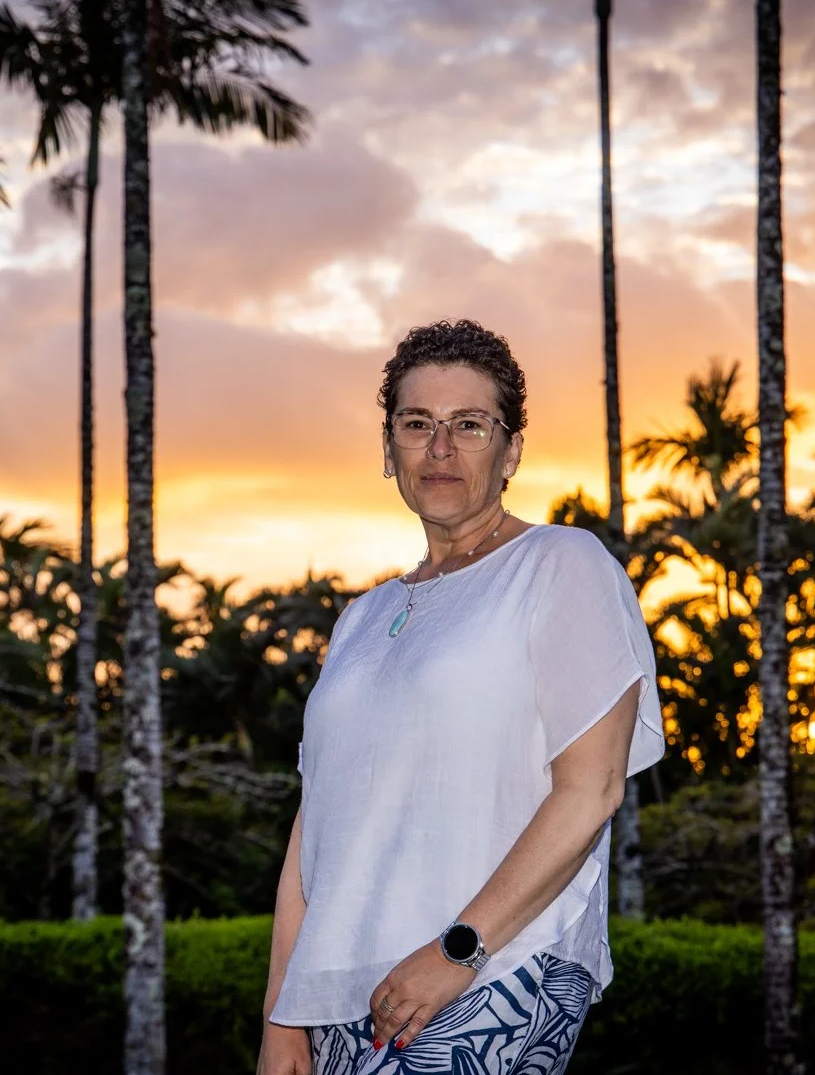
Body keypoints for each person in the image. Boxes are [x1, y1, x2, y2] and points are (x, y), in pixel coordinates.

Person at [255, 319, 666, 1075]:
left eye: (469, 425)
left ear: (510, 451)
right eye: (417, 424)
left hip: (494, 968)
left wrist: (459, 948)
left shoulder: (559, 564)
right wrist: (282, 1021)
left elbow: (592, 788)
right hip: (347, 992)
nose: (440, 448)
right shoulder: (362, 617)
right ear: (389, 450)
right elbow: (314, 828)